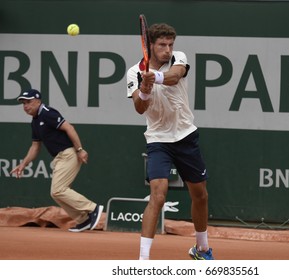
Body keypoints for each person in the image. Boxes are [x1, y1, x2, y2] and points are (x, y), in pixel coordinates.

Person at [126, 23, 214, 260]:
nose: (167, 49)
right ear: (150, 46)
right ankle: (143, 261)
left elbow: (174, 77)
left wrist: (154, 77)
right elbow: (139, 107)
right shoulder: (135, 72)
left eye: (170, 44)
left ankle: (202, 248)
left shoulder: (178, 58)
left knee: (200, 195)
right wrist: (144, 88)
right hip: (158, 140)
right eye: (162, 45)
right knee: (158, 194)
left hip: (186, 136)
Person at [11, 89, 104, 233]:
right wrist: (23, 164)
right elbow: (35, 147)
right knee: (56, 192)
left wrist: (80, 150)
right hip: (59, 157)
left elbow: (69, 128)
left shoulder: (48, 113)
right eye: (23, 103)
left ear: (38, 101)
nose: (25, 106)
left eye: (28, 102)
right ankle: (83, 219)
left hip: (69, 154)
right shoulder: (35, 122)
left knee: (58, 189)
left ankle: (92, 208)